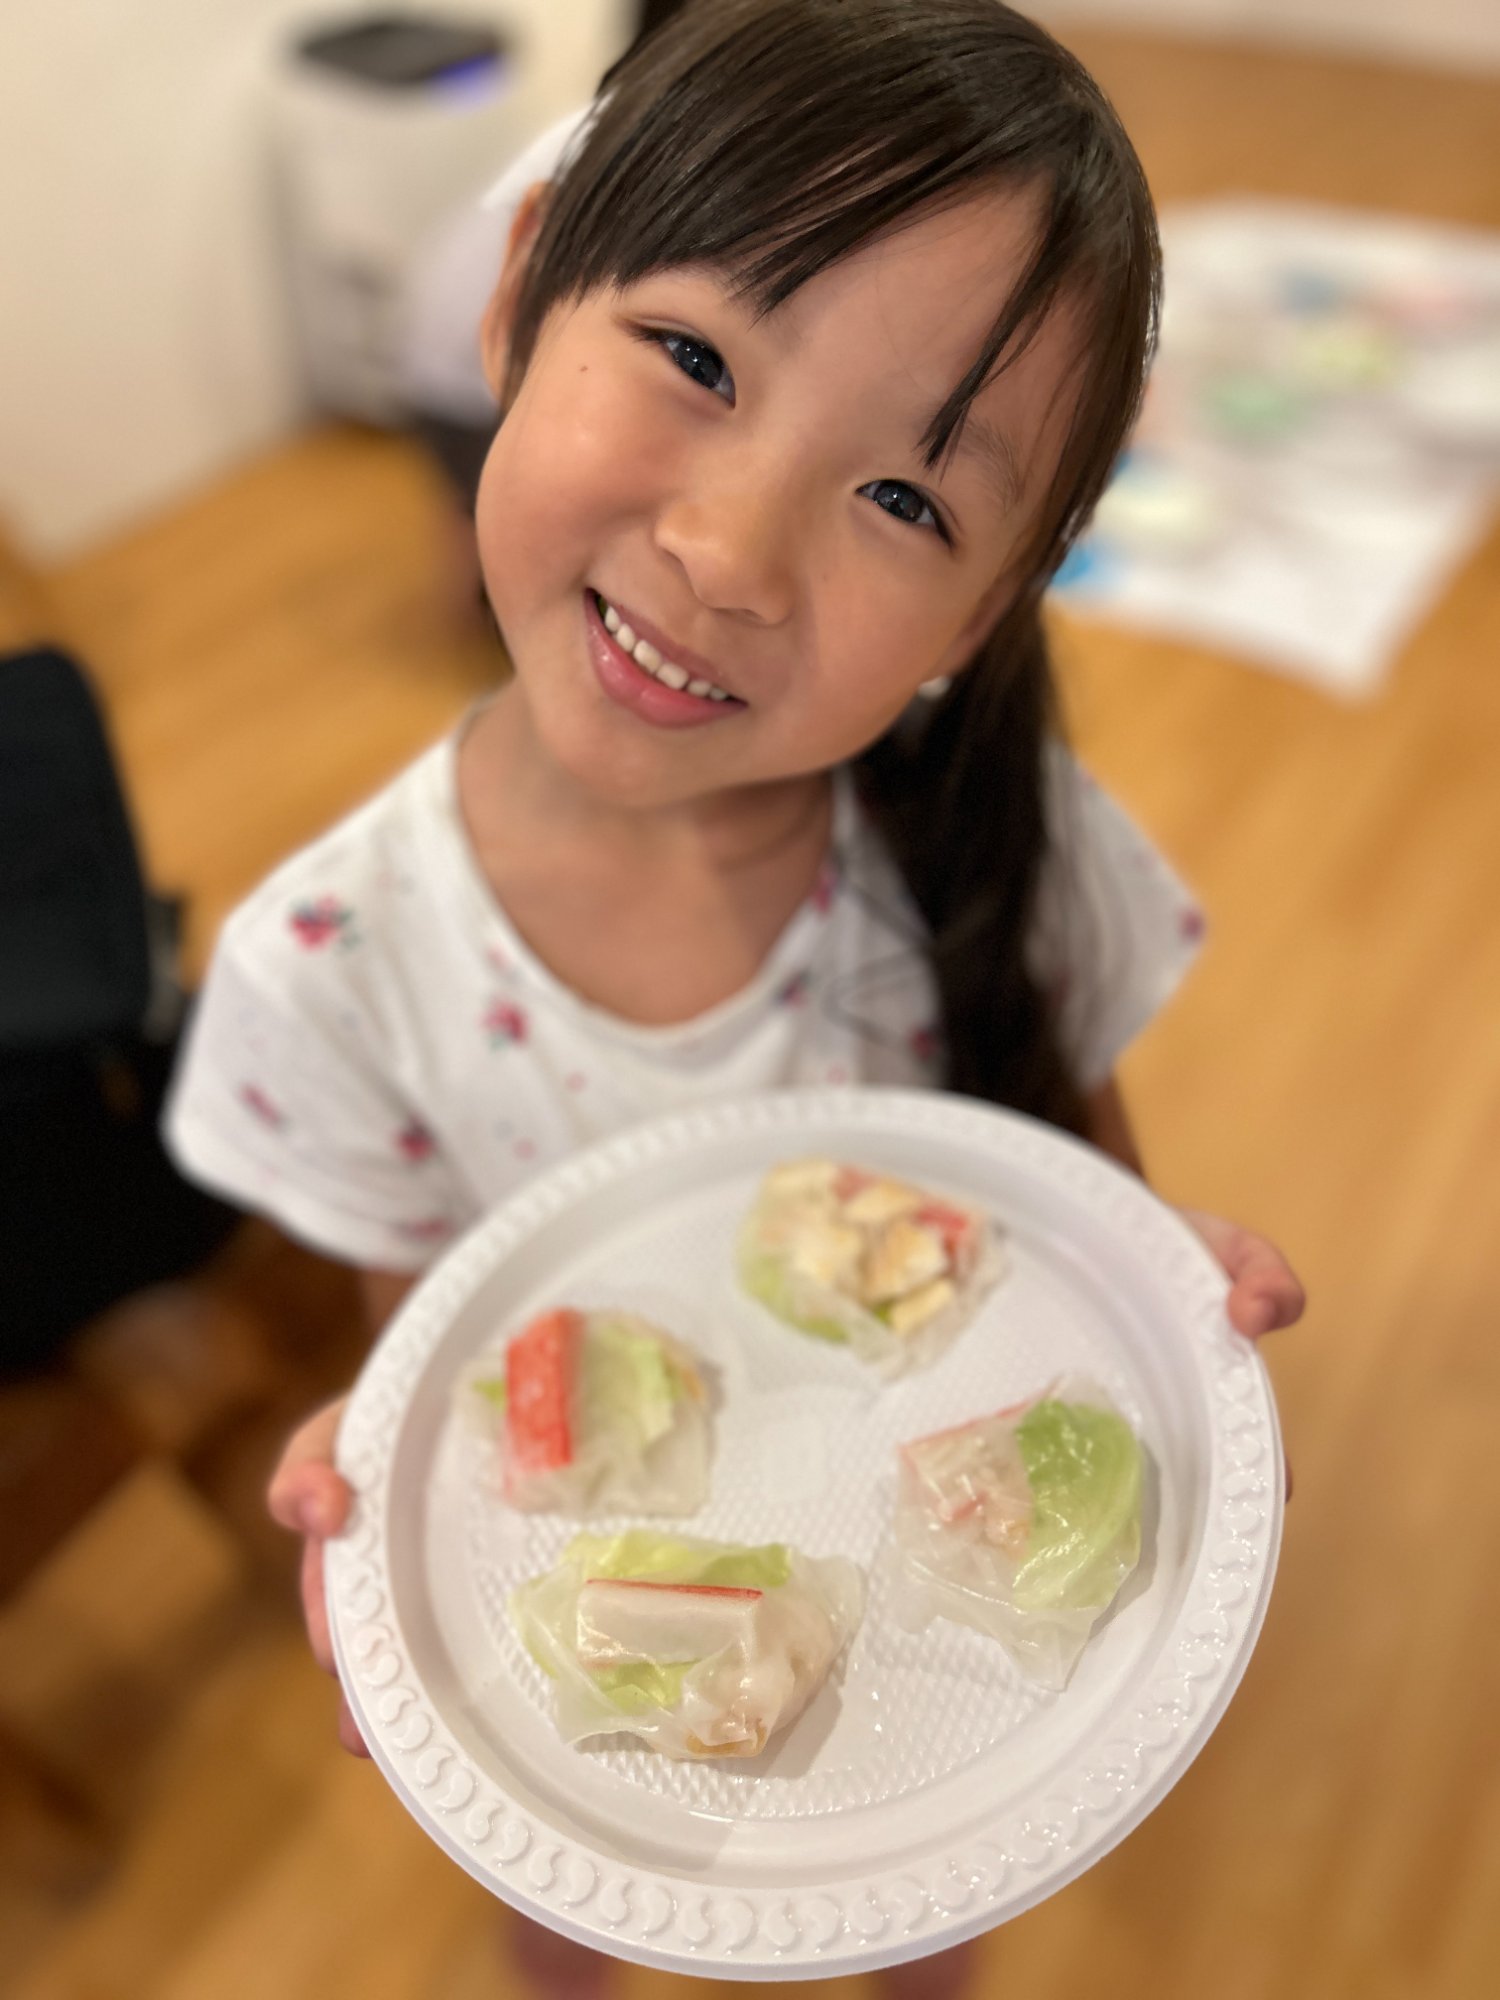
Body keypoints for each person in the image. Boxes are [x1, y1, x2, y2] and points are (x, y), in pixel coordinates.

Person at [165, 2, 1305, 1990]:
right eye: (696, 358)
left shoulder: (1003, 834)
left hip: (939, 1690)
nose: (729, 554)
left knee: (920, 1945)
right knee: (560, 1936)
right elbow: (437, 1325)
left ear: (986, 613)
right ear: (520, 298)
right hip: (589, 1670)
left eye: (908, 501)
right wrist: (386, 1449)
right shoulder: (331, 967)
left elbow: (1089, 1191)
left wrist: (1160, 1285)